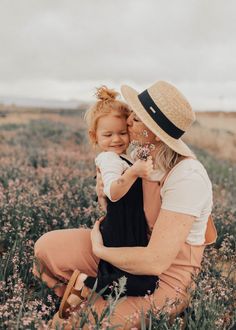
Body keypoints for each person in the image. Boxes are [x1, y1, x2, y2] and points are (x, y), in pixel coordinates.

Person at [33, 81, 217, 329]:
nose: (128, 120)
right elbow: (122, 212)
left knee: (73, 324)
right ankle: (92, 294)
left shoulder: (186, 176)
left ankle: (96, 299)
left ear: (155, 131)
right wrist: (103, 193)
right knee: (46, 249)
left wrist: (100, 251)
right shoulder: (139, 157)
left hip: (163, 275)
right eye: (132, 112)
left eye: (137, 118)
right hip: (128, 245)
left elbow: (155, 262)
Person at [58, 86, 158, 318]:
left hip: (126, 227)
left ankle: (86, 294)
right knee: (146, 284)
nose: (116, 139)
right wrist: (135, 172)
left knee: (120, 277)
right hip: (121, 230)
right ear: (95, 137)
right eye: (108, 135)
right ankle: (84, 283)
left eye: (122, 133)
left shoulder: (123, 156)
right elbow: (113, 192)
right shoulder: (109, 158)